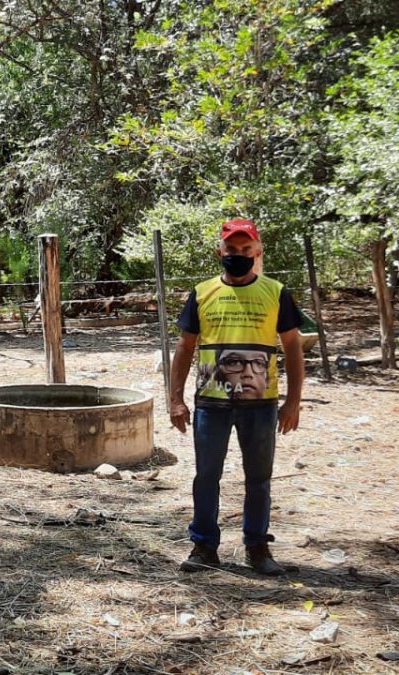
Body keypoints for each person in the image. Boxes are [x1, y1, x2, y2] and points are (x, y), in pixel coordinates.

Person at [168, 218, 304, 576]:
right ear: (220, 251)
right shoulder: (202, 293)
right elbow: (184, 348)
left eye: (246, 250)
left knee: (259, 477)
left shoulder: (276, 293)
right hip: (211, 402)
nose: (238, 255)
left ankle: (257, 548)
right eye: (232, 249)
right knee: (206, 476)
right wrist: (175, 399)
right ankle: (203, 547)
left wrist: (293, 401)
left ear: (258, 252)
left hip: (260, 404)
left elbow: (292, 347)